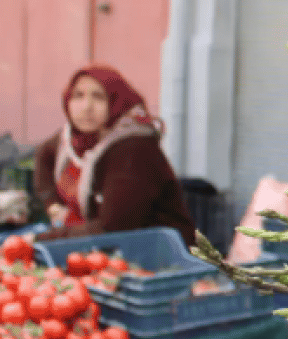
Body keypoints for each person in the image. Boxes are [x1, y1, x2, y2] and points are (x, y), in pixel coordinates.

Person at [28, 65, 195, 246]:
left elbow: (113, 228)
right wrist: (54, 208)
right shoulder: (71, 139)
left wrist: (39, 240)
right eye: (78, 96)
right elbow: (44, 156)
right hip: (98, 246)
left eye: (99, 97)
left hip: (159, 251)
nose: (87, 107)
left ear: (116, 101)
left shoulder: (134, 148)